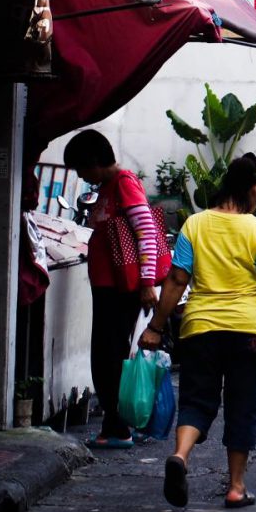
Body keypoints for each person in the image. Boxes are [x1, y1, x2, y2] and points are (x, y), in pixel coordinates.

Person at [139, 154, 256, 510]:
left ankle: (180, 455)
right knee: (243, 406)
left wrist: (155, 327)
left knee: (196, 400)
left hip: (200, 329)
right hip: (247, 331)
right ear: (253, 188)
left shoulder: (196, 225)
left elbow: (177, 280)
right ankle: (236, 487)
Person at [63, 130, 169, 450]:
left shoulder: (124, 183)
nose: (81, 176)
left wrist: (148, 283)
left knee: (111, 355)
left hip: (122, 288)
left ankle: (118, 427)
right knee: (109, 354)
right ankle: (116, 423)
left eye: (81, 169)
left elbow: (146, 232)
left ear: (94, 162)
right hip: (108, 287)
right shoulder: (109, 186)